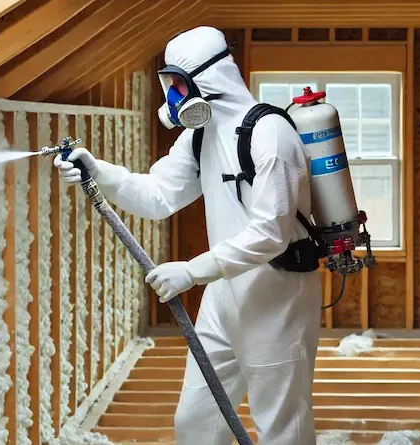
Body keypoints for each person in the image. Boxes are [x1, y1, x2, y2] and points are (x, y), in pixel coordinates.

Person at [53, 26, 321, 445]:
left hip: (276, 300)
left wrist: (192, 271)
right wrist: (98, 171)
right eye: (169, 84)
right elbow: (158, 195)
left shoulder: (271, 134)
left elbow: (272, 234)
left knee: (282, 427)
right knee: (196, 423)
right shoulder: (201, 135)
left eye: (178, 83)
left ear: (209, 79)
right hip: (223, 298)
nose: (173, 96)